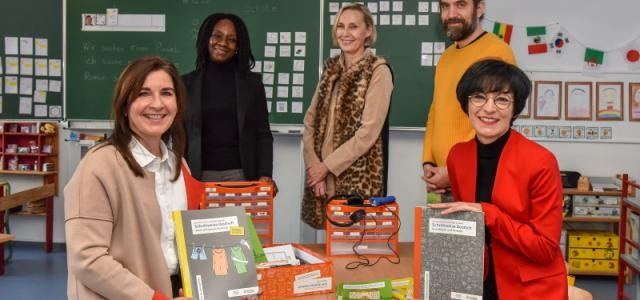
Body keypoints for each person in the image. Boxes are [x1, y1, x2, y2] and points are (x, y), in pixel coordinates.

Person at [429, 59, 568, 299]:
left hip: (530, 288)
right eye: (479, 97)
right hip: (475, 281)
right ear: (466, 104)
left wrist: (488, 214)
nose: (489, 108)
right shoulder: (457, 156)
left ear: (515, 109)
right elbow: (468, 228)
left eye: (502, 99)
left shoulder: (541, 161)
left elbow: (545, 248)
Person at [65, 56, 195, 300]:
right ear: (125, 105)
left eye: (167, 93)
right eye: (144, 93)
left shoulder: (178, 164)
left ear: (178, 103)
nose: (157, 104)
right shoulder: (99, 166)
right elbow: (88, 259)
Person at [301, 3, 393, 229]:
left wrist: (327, 166)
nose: (345, 33)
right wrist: (315, 169)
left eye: (353, 27)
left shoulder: (378, 71)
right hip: (321, 177)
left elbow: (367, 133)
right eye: (340, 26)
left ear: (368, 31)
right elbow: (310, 121)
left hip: (356, 180)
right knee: (328, 247)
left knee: (352, 249)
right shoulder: (330, 68)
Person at [422, 0, 515, 198]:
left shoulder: (498, 53)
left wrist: (456, 171)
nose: (451, 13)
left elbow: (497, 125)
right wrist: (428, 162)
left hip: (477, 181)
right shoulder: (445, 57)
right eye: (445, 6)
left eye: (461, 5)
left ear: (479, 9)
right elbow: (434, 111)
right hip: (440, 181)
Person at [183, 13, 275, 191]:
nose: (223, 43)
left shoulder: (252, 84)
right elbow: (178, 135)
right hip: (197, 175)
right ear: (206, 39)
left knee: (241, 221)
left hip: (241, 175)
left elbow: (263, 133)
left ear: (238, 47)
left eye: (231, 39)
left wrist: (265, 174)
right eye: (217, 36)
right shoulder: (185, 83)